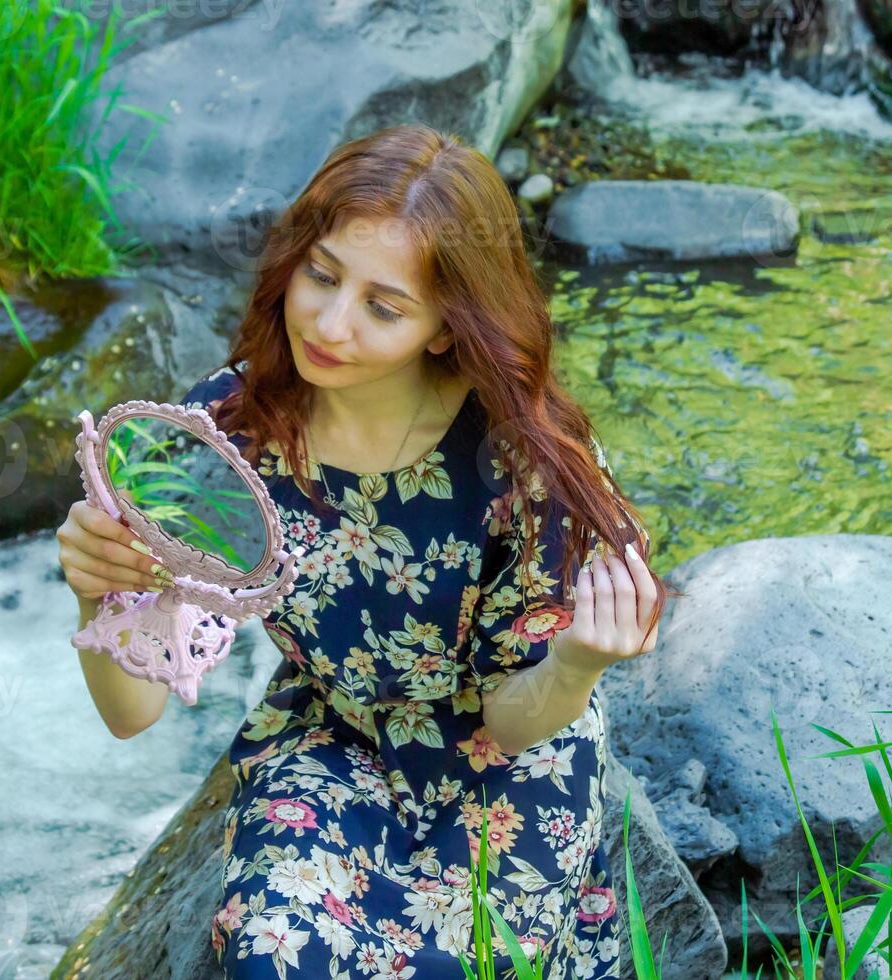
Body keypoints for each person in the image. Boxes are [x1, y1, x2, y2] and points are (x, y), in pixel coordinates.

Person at [55, 124, 676, 979]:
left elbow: (509, 715)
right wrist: (95, 592)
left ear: (445, 328)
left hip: (509, 757)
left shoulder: (520, 461)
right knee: (273, 955)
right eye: (321, 275)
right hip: (333, 734)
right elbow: (133, 714)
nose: (331, 324)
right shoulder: (231, 434)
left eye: (383, 307)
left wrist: (576, 666)